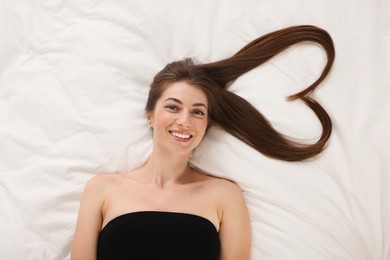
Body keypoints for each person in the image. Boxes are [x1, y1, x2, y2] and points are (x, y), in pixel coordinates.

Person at [71, 25, 335, 260]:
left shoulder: (224, 195)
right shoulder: (102, 189)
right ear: (150, 116)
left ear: (206, 125)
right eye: (173, 107)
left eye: (197, 112)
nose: (184, 121)